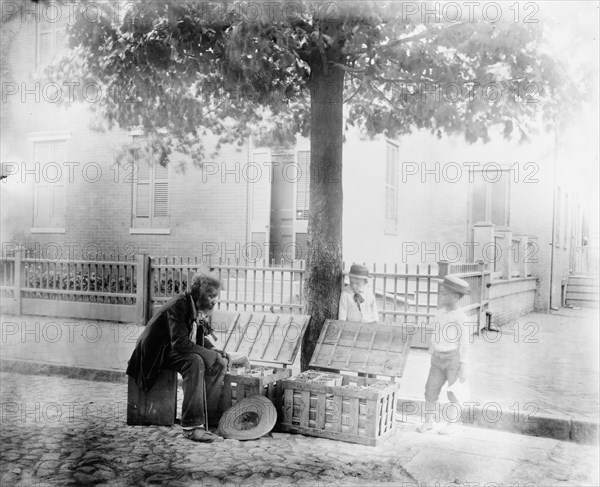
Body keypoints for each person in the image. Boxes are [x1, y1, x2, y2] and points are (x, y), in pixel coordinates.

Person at [127, 272, 229, 442]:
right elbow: (180, 343)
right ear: (200, 294)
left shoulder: (191, 304)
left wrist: (215, 351)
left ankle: (208, 418)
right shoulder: (178, 305)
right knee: (194, 362)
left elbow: (192, 337)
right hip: (153, 354)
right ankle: (191, 427)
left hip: (168, 348)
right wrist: (210, 355)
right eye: (211, 296)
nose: (214, 301)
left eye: (215, 297)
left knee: (216, 361)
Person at [417, 275, 474, 435]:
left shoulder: (461, 317)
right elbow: (435, 333)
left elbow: (464, 343)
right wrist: (432, 350)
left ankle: (452, 423)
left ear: (456, 296)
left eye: (444, 293)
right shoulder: (440, 313)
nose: (440, 296)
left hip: (453, 359)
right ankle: (428, 422)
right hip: (437, 359)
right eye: (440, 292)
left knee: (453, 392)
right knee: (430, 390)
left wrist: (464, 365)